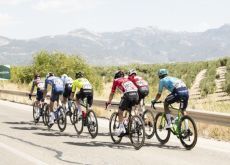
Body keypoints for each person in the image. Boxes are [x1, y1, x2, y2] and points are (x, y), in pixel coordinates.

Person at [106, 70, 139, 136]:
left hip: (128, 95)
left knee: (120, 111)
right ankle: (134, 123)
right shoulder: (127, 79)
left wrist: (109, 102)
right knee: (129, 110)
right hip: (136, 94)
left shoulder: (116, 80)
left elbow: (112, 93)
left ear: (116, 76)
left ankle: (122, 129)